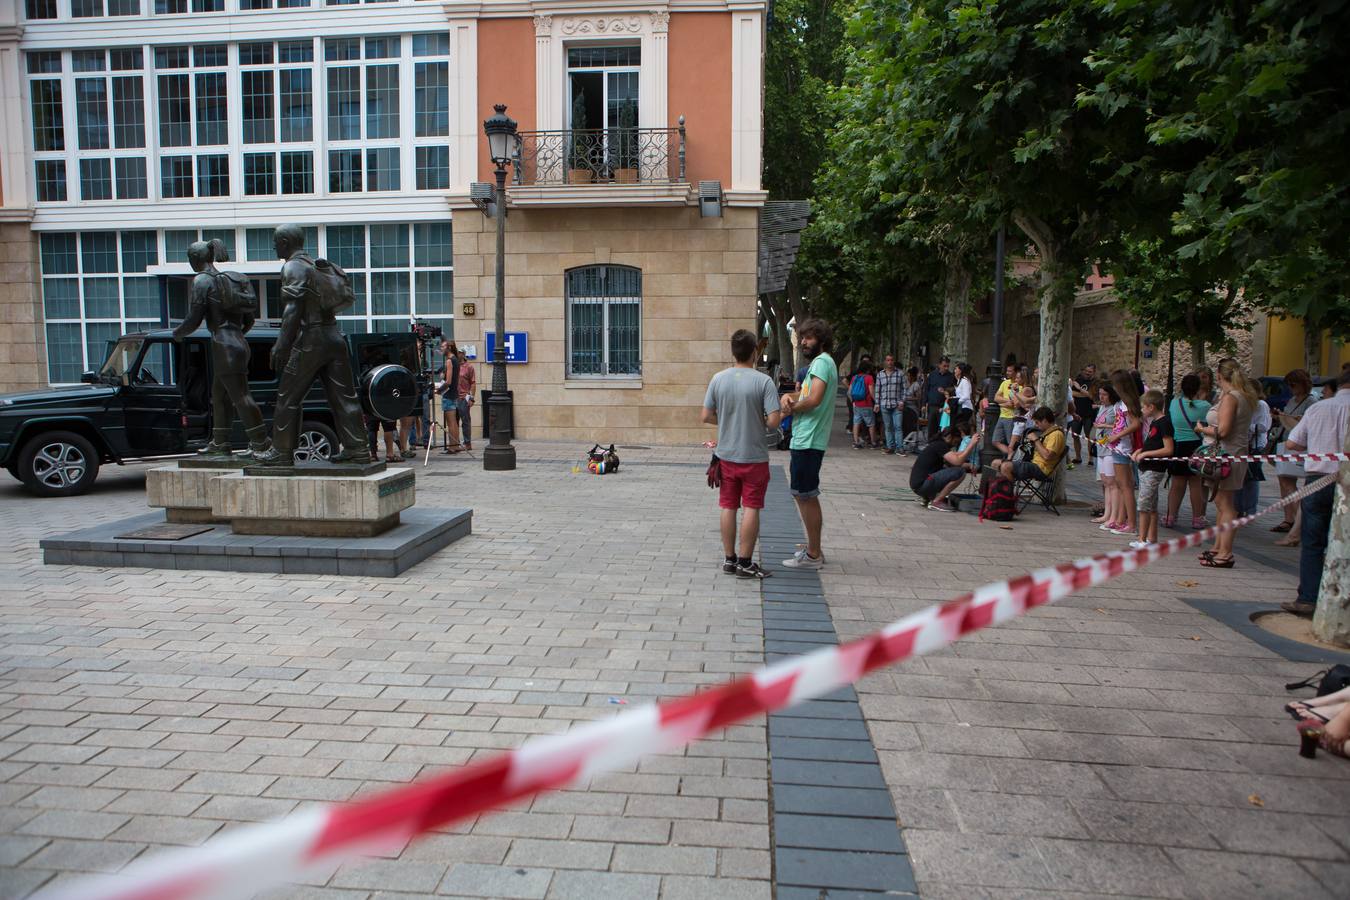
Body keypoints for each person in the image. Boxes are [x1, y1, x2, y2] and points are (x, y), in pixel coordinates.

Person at [254, 224, 369, 465]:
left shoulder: (293, 266)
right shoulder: (314, 265)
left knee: (287, 396)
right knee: (344, 397)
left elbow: (292, 309)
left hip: (311, 339)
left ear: (285, 241)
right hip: (334, 336)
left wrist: (282, 344)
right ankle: (357, 448)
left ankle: (281, 452)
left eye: (276, 241)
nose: (274, 246)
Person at [171, 238, 271, 459]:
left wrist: (176, 334)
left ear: (195, 259)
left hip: (223, 343)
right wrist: (235, 336)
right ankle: (221, 442)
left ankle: (260, 442)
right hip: (237, 342)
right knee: (219, 396)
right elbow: (250, 321)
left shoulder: (202, 281)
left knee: (240, 396)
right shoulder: (229, 281)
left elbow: (193, 319)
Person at [702, 329, 783, 580]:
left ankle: (729, 560)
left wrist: (727, 420)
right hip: (754, 457)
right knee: (751, 507)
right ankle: (746, 562)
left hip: (725, 455)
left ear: (733, 352)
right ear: (755, 352)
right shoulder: (764, 382)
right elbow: (773, 422)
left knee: (727, 506)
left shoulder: (718, 379)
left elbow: (705, 416)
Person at [1280, 367, 1350, 616]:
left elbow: (1293, 443)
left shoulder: (1319, 408)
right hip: (1346, 483)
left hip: (1318, 478)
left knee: (1312, 541)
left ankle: (1308, 598)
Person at [779, 319, 838, 569]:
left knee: (806, 495)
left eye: (809, 338)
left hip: (809, 440)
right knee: (803, 495)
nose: (803, 342)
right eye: (802, 337)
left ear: (821, 340)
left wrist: (791, 407)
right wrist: (788, 398)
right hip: (806, 440)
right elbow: (806, 396)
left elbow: (813, 400)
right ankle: (813, 548)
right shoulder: (820, 364)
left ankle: (814, 554)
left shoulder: (823, 362)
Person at [1193, 358, 1259, 568]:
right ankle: (1218, 547)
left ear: (1219, 376)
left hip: (1226, 455)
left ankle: (1225, 552)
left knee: (1227, 505)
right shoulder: (1242, 396)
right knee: (1222, 503)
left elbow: (1223, 431)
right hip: (1231, 454)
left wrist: (1202, 429)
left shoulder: (1232, 398)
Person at [1271, 369, 1316, 542]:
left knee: (1289, 482)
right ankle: (1289, 518)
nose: (1290, 388)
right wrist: (1280, 416)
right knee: (1284, 481)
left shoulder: (1311, 402)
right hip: (1286, 442)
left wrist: (1288, 417)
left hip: (1299, 445)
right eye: (1288, 385)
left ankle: (1298, 520)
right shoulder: (1292, 400)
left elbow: (1306, 423)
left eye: (1293, 384)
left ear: (1302, 383)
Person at [1164, 373, 1212, 531]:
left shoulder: (1174, 403)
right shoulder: (1205, 406)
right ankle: (1197, 518)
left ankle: (1171, 516)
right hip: (1197, 446)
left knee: (1177, 484)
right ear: (1198, 388)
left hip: (1179, 445)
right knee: (1196, 484)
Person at [1130, 390, 1175, 549]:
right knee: (1152, 505)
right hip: (1147, 467)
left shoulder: (1164, 423)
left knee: (1144, 504)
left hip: (1154, 468)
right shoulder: (1155, 423)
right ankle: (1152, 538)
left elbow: (1168, 449)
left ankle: (1142, 539)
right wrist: (1140, 451)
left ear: (1151, 407)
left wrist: (1146, 453)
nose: (1142, 410)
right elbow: (1152, 443)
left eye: (1143, 407)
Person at [1103, 369, 1143, 537]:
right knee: (1121, 484)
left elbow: (1136, 423)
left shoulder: (1127, 403)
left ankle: (1131, 523)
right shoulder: (1123, 403)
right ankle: (1120, 520)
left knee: (1126, 486)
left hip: (1122, 446)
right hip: (1118, 445)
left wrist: (1117, 436)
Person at [910, 422, 979, 512]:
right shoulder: (940, 445)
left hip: (918, 485)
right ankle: (936, 501)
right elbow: (957, 462)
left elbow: (955, 455)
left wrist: (970, 464)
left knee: (949, 469)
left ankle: (928, 497)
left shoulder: (937, 444)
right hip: (922, 485)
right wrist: (971, 444)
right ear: (950, 437)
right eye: (955, 442)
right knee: (960, 472)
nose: (955, 445)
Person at [997, 406, 1065, 486]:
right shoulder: (1046, 432)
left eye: (1037, 422)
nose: (1036, 425)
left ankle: (1008, 495)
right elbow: (1029, 449)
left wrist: (1036, 440)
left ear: (1045, 421)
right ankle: (998, 492)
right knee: (996, 463)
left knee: (1006, 467)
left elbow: (1047, 456)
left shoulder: (1056, 434)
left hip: (1041, 468)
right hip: (1033, 463)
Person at [1236, 393, 1272, 517]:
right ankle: (1239, 508)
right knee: (1240, 476)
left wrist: (1245, 426)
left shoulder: (1261, 405)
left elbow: (1263, 426)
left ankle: (1250, 509)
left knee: (1251, 477)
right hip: (1243, 444)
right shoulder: (1243, 404)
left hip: (1255, 446)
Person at [1092, 383, 1121, 528]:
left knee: (1112, 483)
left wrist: (1105, 426)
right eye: (1100, 394)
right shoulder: (1102, 407)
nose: (1101, 397)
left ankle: (1113, 516)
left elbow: (1121, 426)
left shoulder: (1116, 408)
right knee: (1106, 482)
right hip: (1101, 447)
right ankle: (1107, 514)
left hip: (1111, 448)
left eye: (1104, 394)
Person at [875, 354, 905, 454]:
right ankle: (890, 446)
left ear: (894, 361)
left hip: (897, 404)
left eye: (891, 360)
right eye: (888, 360)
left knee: (898, 426)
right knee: (888, 427)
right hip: (884, 404)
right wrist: (877, 403)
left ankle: (900, 448)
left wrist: (902, 401)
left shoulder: (900, 374)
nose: (890, 362)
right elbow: (877, 390)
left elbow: (905, 389)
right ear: (885, 361)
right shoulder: (880, 374)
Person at [991, 364, 1022, 457]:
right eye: (1007, 371)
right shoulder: (1005, 383)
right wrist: (1006, 402)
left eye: (1010, 371)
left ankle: (1012, 460)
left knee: (1011, 443)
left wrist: (1002, 403)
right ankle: (1011, 455)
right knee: (995, 441)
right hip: (1002, 415)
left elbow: (1015, 404)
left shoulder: (1020, 386)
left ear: (1015, 372)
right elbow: (996, 397)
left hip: (1012, 417)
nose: (1007, 373)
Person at [1070, 364, 1097, 465]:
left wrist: (1080, 390)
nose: (1087, 373)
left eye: (1089, 371)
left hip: (1089, 413)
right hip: (1077, 412)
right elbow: (1072, 393)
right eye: (1086, 370)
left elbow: (1093, 396)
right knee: (1075, 435)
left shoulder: (1095, 382)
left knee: (1089, 436)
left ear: (1094, 372)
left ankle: (1090, 459)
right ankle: (1078, 457)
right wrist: (1085, 394)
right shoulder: (1078, 379)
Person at [438, 339, 463, 453]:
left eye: (443, 347)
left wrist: (439, 390)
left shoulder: (449, 361)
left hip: (448, 394)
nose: (441, 349)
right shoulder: (455, 359)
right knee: (454, 422)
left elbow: (448, 381)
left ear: (448, 348)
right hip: (454, 393)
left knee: (451, 422)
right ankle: (456, 445)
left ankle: (452, 447)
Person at [848, 360, 879, 449]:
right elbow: (871, 392)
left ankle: (856, 442)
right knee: (871, 424)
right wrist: (877, 402)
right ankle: (873, 443)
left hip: (856, 404)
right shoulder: (869, 378)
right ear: (868, 369)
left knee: (856, 423)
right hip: (867, 404)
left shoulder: (854, 377)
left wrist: (853, 402)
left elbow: (849, 392)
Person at [925, 357, 956, 440]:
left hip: (944, 406)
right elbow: (926, 389)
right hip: (932, 406)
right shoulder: (932, 375)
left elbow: (953, 391)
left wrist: (945, 391)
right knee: (931, 427)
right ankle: (930, 444)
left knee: (943, 428)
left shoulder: (950, 376)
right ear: (939, 365)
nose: (946, 368)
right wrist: (924, 404)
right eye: (944, 366)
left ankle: (940, 446)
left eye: (947, 366)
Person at [456, 348, 477, 452]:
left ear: (463, 354)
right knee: (453, 422)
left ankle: (467, 443)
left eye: (459, 353)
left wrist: (471, 398)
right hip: (453, 397)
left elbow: (473, 383)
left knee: (465, 421)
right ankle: (454, 443)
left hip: (464, 397)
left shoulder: (469, 367)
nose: (457, 354)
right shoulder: (452, 365)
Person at [902, 366, 923, 447]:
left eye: (910, 376)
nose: (908, 377)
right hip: (905, 406)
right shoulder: (906, 384)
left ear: (913, 376)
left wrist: (908, 398)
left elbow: (918, 398)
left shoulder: (916, 385)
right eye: (908, 376)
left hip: (912, 408)